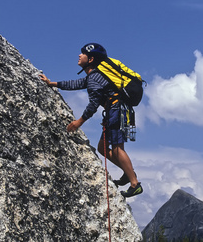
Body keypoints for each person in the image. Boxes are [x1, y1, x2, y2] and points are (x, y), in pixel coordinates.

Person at [39, 43, 143, 198]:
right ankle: (128, 173)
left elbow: (93, 104)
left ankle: (134, 184)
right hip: (115, 111)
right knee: (102, 148)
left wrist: (79, 122)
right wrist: (51, 83)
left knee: (117, 148)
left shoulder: (95, 78)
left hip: (115, 111)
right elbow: (76, 84)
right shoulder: (94, 77)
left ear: (91, 59)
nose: (79, 56)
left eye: (83, 54)